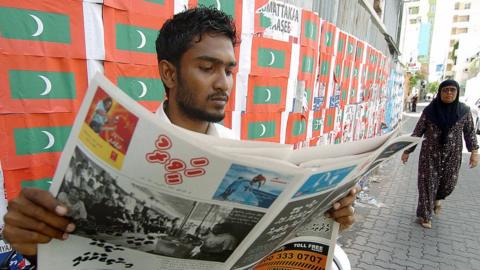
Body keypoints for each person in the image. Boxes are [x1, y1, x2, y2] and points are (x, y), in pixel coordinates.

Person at [2, 7, 357, 260]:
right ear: (169, 75)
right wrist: (37, 243)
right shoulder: (118, 146)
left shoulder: (245, 153)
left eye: (230, 70)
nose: (223, 84)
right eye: (207, 68)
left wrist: (326, 220)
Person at [401, 79, 479, 229]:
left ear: (457, 93)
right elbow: (417, 132)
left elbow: (470, 133)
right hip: (429, 155)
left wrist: (474, 152)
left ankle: (437, 199)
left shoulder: (464, 111)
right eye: (445, 90)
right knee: (427, 184)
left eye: (452, 90)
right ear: (440, 92)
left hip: (453, 156)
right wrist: (407, 151)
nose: (449, 93)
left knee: (449, 184)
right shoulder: (430, 111)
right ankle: (425, 215)